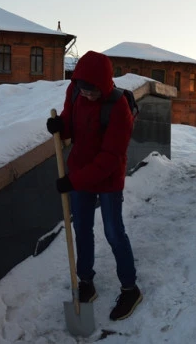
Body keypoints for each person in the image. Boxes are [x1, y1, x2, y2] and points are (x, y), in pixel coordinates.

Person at [45, 50, 142, 321]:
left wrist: (73, 181)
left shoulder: (119, 107)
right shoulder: (75, 91)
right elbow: (70, 123)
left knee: (113, 231)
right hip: (80, 172)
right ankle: (85, 282)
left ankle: (130, 288)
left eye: (92, 91)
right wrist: (58, 126)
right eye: (83, 90)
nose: (87, 95)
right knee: (82, 230)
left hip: (108, 178)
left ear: (103, 85)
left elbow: (110, 158)